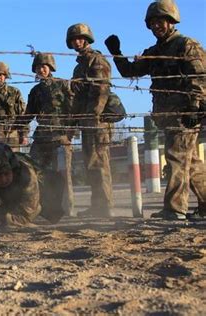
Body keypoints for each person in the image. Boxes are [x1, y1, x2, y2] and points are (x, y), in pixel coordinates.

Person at [104, 0, 205, 220]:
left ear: (171, 21)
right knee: (190, 162)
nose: (157, 26)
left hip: (185, 114)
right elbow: (132, 71)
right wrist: (117, 53)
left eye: (161, 21)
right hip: (168, 116)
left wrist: (195, 107)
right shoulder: (156, 51)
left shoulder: (186, 45)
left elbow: (200, 76)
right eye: (153, 23)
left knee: (177, 158)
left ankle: (175, 209)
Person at [17, 52, 75, 217]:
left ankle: (67, 208)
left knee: (63, 174)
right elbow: (29, 114)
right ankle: (40, 208)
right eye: (38, 67)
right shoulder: (35, 91)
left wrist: (71, 131)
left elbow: (73, 109)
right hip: (42, 136)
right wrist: (14, 125)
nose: (41, 70)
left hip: (60, 136)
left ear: (51, 68)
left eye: (44, 66)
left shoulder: (63, 85)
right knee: (33, 173)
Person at [67, 23, 114, 217]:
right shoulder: (80, 66)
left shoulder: (96, 59)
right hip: (86, 121)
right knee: (91, 164)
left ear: (87, 40)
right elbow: (77, 97)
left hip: (97, 122)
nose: (77, 42)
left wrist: (93, 116)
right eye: (73, 40)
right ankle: (98, 205)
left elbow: (101, 90)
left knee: (100, 164)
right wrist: (75, 121)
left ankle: (103, 207)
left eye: (80, 38)